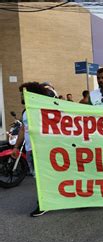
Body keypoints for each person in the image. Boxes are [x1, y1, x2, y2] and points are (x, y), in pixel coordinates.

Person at [12, 82, 52, 217]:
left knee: (43, 177)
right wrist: (16, 147)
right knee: (37, 177)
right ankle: (45, 200)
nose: (21, 97)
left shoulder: (43, 109)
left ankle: (43, 203)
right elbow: (23, 129)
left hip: (43, 149)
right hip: (30, 150)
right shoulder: (25, 111)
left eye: (22, 94)